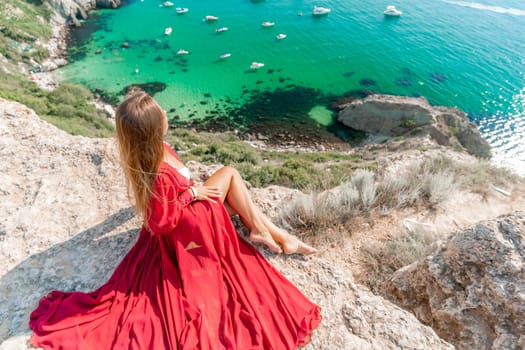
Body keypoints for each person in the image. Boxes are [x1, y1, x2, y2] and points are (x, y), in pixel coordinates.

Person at [29, 91, 321, 349]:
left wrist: (190, 192)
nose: (166, 113)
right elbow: (160, 224)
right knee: (231, 173)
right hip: (190, 226)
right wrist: (191, 193)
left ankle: (271, 233)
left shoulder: (149, 150)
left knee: (232, 182)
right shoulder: (160, 172)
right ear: (155, 127)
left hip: (191, 212)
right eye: (161, 113)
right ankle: (270, 232)